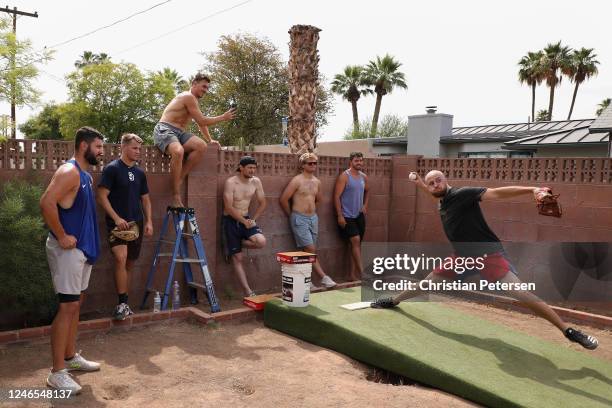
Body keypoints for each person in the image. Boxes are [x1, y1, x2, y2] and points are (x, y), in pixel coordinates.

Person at [371, 170, 599, 350]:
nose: (434, 185)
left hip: (488, 256)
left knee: (521, 294)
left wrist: (533, 189)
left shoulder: (462, 195)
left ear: (445, 180)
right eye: (431, 183)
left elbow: (497, 193)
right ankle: (394, 301)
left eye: (438, 180)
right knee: (428, 282)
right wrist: (418, 181)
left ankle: (568, 331)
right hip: (462, 257)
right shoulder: (440, 200)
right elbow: (429, 192)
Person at [39, 126, 105, 394]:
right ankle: (57, 373)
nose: (102, 152)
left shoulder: (86, 176)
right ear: (83, 146)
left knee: (77, 303)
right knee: (67, 307)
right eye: (98, 147)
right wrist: (62, 235)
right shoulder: (69, 172)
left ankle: (69, 357)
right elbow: (46, 202)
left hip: (83, 250)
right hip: (68, 250)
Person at [153, 73, 235, 207]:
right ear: (194, 84)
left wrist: (210, 140)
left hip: (179, 132)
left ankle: (178, 179)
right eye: (203, 86)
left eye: (207, 88)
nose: (205, 90)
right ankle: (175, 194)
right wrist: (223, 117)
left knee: (201, 146)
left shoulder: (194, 101)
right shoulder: (187, 97)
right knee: (178, 151)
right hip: (164, 129)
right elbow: (202, 120)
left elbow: (200, 123)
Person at [97, 133, 153, 321]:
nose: (138, 152)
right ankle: (121, 304)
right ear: (124, 147)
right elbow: (102, 196)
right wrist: (116, 217)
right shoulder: (112, 169)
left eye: (139, 148)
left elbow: (145, 199)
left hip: (136, 224)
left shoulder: (140, 173)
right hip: (117, 224)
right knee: (120, 259)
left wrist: (150, 222)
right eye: (135, 148)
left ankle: (125, 303)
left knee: (130, 263)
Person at [280, 153, 337, 289]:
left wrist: (312, 212)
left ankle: (306, 281)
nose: (313, 165)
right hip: (299, 218)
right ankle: (324, 277)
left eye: (315, 163)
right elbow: (283, 199)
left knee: (307, 251)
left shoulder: (317, 181)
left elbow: (319, 199)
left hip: (313, 218)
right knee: (310, 249)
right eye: (310, 163)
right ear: (303, 165)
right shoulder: (297, 180)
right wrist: (292, 216)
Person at [222, 156, 267, 296]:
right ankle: (247, 290)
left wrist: (253, 219)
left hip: (247, 219)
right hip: (231, 220)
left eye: (254, 168)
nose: (252, 170)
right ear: (241, 167)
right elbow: (228, 207)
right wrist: (243, 221)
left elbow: (263, 202)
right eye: (249, 168)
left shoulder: (256, 181)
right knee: (238, 258)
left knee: (261, 242)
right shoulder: (231, 182)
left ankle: (235, 245)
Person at [333, 152, 369, 281]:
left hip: (359, 215)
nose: (359, 163)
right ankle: (363, 274)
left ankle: (352, 275)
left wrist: (365, 205)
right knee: (355, 241)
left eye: (360, 161)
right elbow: (336, 196)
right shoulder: (344, 176)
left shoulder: (364, 177)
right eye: (356, 161)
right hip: (347, 215)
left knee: (356, 245)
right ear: (351, 162)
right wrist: (339, 215)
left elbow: (368, 191)